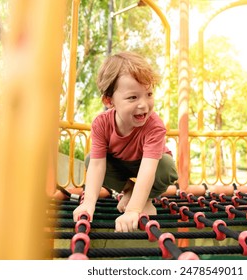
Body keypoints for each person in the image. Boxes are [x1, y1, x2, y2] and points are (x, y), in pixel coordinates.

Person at [73, 51, 178, 232]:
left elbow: (147, 171)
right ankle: (129, 189)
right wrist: (88, 203)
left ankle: (145, 198)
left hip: (151, 166)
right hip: (120, 166)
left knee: (167, 167)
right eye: (132, 97)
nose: (144, 105)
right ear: (109, 100)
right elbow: (97, 166)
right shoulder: (101, 124)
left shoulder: (154, 126)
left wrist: (133, 210)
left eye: (149, 94)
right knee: (91, 160)